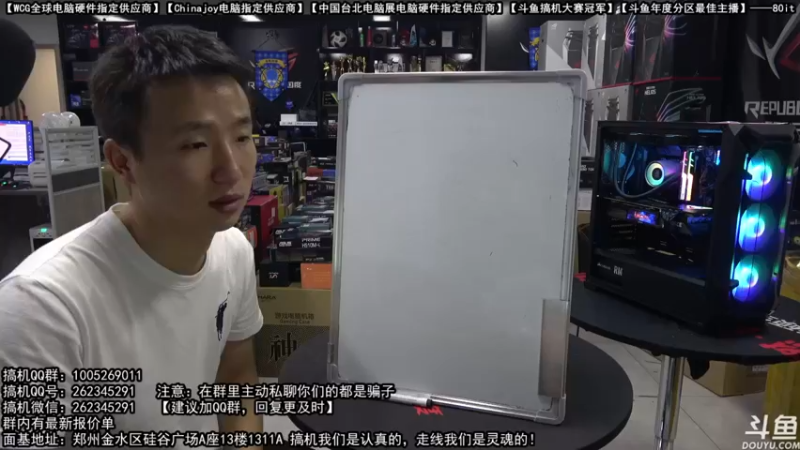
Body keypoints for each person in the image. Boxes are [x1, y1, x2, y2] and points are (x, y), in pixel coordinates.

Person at [0, 26, 264, 448]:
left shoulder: (232, 251)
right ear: (123, 161)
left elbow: (236, 380)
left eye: (241, 136)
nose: (231, 170)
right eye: (195, 144)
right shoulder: (40, 309)